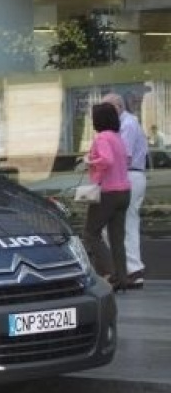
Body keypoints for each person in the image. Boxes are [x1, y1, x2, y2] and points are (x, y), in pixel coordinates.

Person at [83, 103, 131, 291]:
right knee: (117, 238)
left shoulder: (102, 138)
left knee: (91, 233)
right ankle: (122, 278)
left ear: (98, 120)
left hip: (107, 192)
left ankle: (110, 273)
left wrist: (90, 161)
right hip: (124, 191)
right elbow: (126, 160)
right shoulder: (118, 138)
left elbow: (106, 160)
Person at [103, 93, 148, 289]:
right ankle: (127, 270)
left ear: (117, 107)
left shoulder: (127, 124)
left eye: (105, 108)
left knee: (124, 224)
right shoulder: (126, 123)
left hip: (128, 176)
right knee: (124, 223)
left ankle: (131, 270)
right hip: (129, 176)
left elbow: (124, 156)